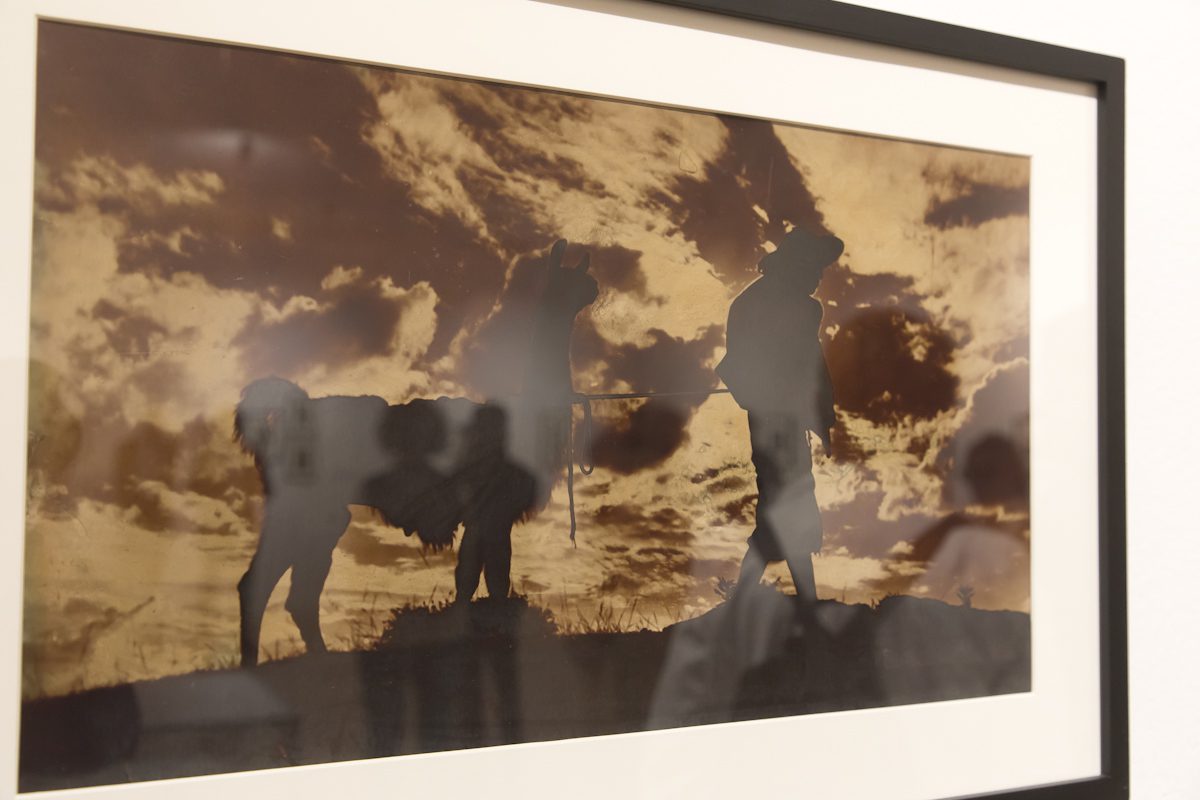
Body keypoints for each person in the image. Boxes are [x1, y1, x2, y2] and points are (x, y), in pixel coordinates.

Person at [716, 227, 843, 602]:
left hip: (778, 420)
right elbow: (810, 365)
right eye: (815, 267)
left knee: (784, 505)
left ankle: (791, 598)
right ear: (797, 265)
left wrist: (820, 418)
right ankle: (796, 600)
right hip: (774, 421)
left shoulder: (755, 303)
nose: (819, 276)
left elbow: (807, 367)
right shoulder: (793, 308)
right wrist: (819, 416)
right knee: (784, 506)